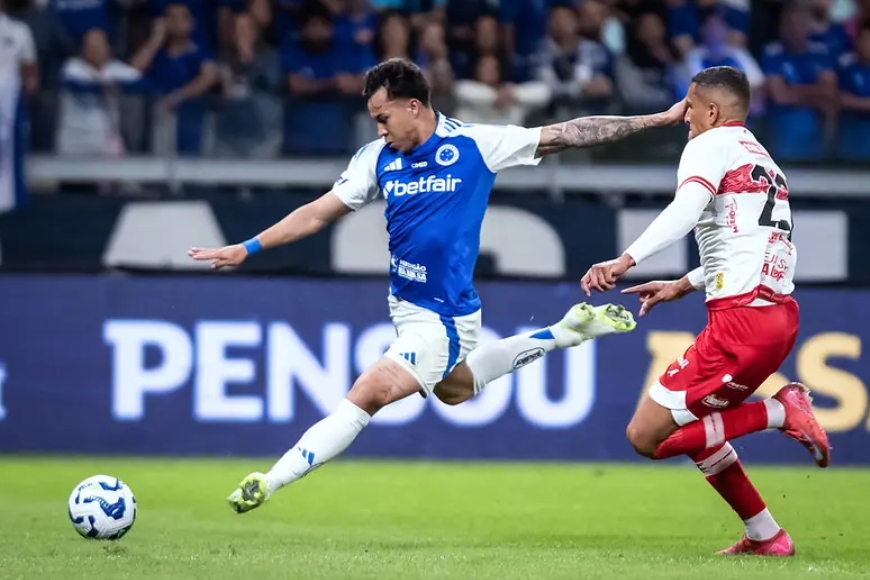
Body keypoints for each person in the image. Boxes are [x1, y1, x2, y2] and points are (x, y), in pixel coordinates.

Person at [189, 57, 686, 514]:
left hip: (442, 318)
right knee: (455, 388)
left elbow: (569, 133)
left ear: (413, 106)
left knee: (371, 390)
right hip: (406, 307)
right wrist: (247, 248)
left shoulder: (474, 144)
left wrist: (657, 120)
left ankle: (271, 480)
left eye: (383, 117)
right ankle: (567, 332)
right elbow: (318, 213)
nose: (379, 129)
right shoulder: (375, 157)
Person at [579, 65, 830, 557]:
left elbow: (685, 209)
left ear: (712, 110)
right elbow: (748, 245)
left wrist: (624, 259)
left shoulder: (709, 145)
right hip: (774, 317)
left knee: (646, 435)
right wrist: (684, 283)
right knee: (696, 433)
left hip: (741, 325)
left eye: (690, 106)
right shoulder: (764, 161)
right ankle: (767, 535)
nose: (683, 117)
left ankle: (781, 410)